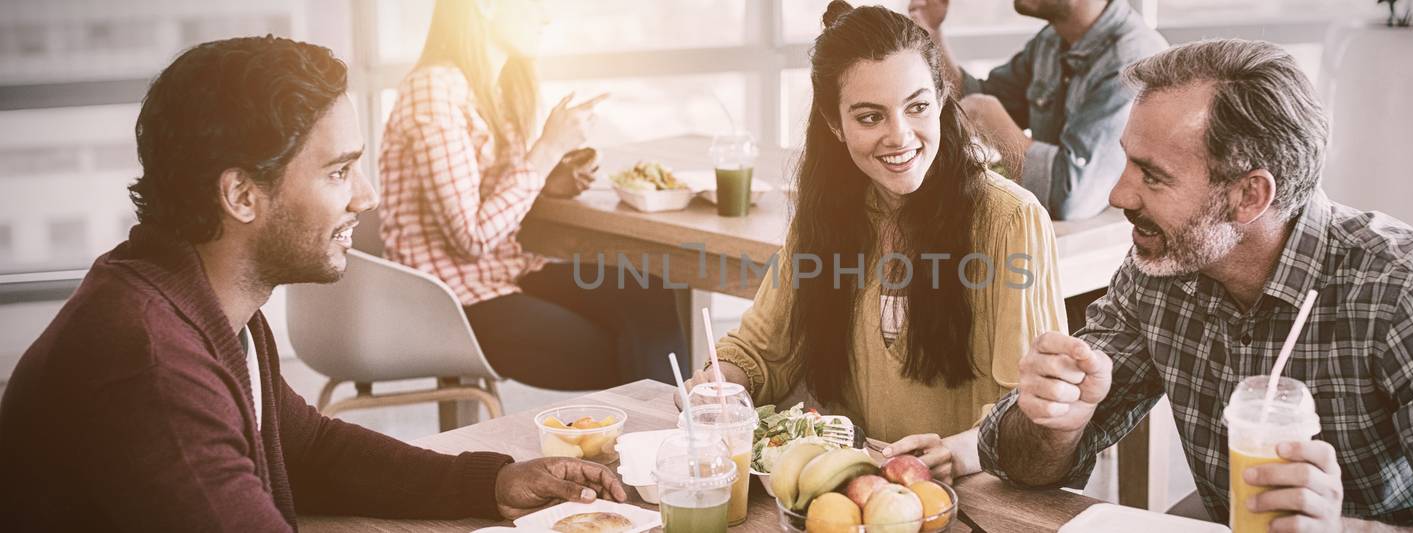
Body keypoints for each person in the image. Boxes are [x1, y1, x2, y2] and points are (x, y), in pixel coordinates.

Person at [0, 36, 625, 531]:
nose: (368, 197)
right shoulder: (151, 360)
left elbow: (309, 449)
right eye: (339, 171)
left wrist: (491, 483)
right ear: (241, 194)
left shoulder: (204, 304)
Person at [978, 39, 1413, 532]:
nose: (1119, 195)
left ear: (1250, 195)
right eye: (1129, 163)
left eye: (1153, 175)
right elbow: (1025, 469)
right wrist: (1056, 420)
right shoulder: (1161, 267)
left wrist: (1344, 529)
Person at [683, 1, 1067, 483]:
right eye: (870, 118)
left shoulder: (1011, 220)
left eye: (918, 106)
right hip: (849, 492)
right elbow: (763, 350)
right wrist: (722, 385)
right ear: (833, 123)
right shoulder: (825, 214)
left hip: (971, 499)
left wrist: (963, 450)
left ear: (943, 98)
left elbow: (1033, 410)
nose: (900, 135)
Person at [379, 0, 688, 390]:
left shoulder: (495, 88)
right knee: (624, 352)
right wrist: (546, 150)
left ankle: (672, 439)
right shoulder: (433, 90)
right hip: (451, 300)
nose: (545, 16)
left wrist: (547, 180)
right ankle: (666, 440)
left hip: (508, 271)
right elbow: (471, 238)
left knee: (649, 293)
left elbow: (488, 199)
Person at [908, 0, 1166, 221]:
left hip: (1109, 260)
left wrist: (988, 115)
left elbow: (1070, 197)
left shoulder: (1133, 60)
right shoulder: (1051, 41)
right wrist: (931, 31)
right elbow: (970, 99)